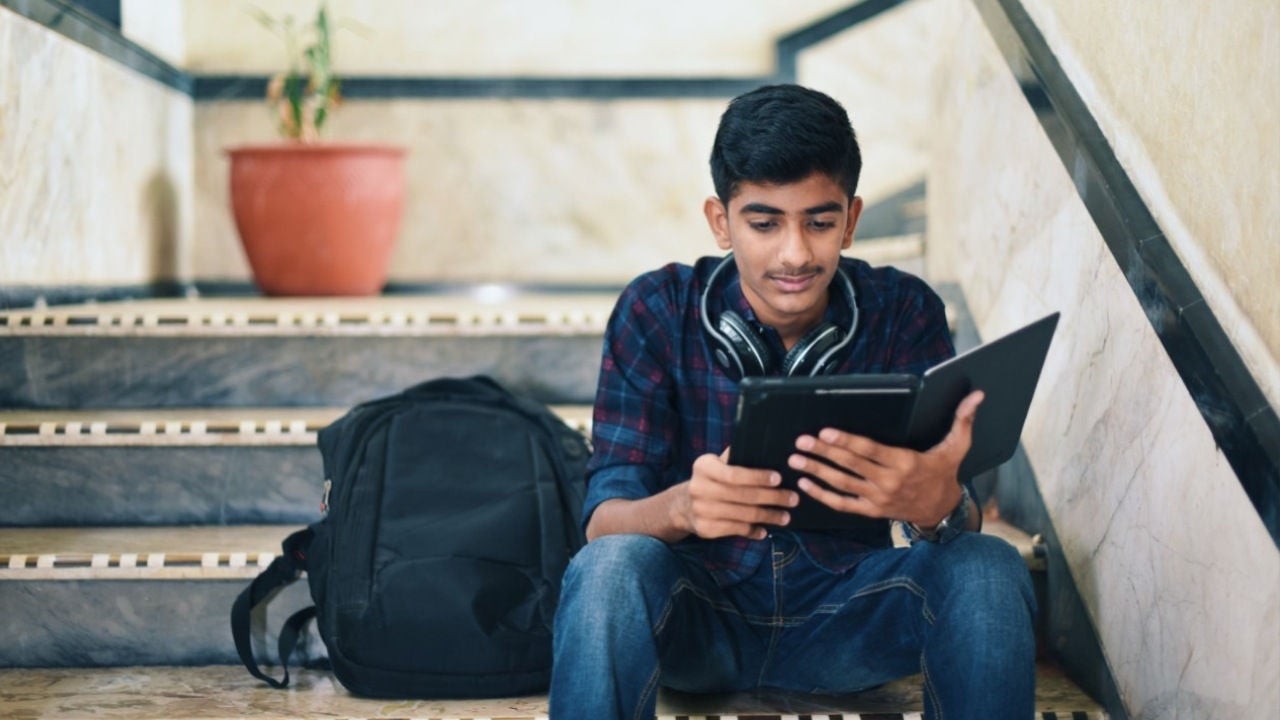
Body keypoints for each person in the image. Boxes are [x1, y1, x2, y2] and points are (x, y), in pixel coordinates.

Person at [549, 84, 1036, 720]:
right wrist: (683, 508)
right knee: (610, 569)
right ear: (720, 221)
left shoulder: (905, 311)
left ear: (852, 220)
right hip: (699, 619)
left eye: (820, 222)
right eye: (764, 222)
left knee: (990, 566)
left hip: (849, 618)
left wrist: (935, 505)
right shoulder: (656, 310)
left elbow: (960, 516)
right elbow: (600, 525)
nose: (795, 254)